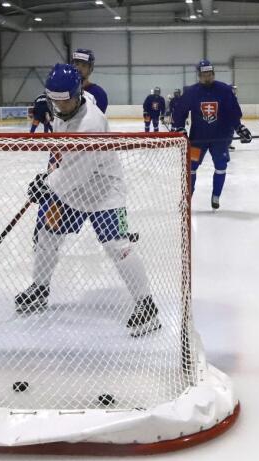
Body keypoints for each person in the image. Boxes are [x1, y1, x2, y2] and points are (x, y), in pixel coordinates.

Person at [14, 64, 160, 337]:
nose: (59, 105)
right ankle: (40, 288)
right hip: (71, 189)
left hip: (104, 190)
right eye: (53, 100)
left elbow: (75, 173)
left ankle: (146, 304)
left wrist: (45, 185)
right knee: (47, 235)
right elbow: (64, 160)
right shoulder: (61, 107)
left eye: (64, 99)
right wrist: (48, 179)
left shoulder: (90, 123)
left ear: (77, 94)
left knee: (118, 246)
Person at [170, 60, 251, 210]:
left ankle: (216, 196)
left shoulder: (224, 90)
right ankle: (187, 198)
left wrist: (239, 127)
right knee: (191, 167)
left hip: (220, 138)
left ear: (213, 74)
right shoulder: (192, 92)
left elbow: (233, 111)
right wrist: (179, 128)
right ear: (199, 75)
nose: (207, 77)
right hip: (197, 139)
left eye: (209, 74)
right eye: (204, 74)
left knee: (221, 166)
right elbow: (179, 111)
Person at [70, 48, 108, 114]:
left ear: (90, 69)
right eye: (76, 64)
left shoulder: (98, 94)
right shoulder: (65, 90)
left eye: (84, 65)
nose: (78, 68)